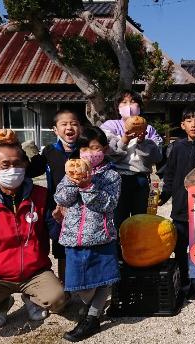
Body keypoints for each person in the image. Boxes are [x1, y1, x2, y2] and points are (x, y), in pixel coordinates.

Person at [0, 143, 66, 330]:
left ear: (25, 166)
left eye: (17, 164)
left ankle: (31, 299)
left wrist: (62, 223)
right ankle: (2, 304)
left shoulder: (41, 196)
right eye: (5, 165)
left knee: (59, 300)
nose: (13, 170)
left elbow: (56, 235)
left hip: (36, 273)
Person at [54, 126, 121, 342]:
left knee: (103, 278)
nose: (90, 153)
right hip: (74, 237)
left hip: (101, 235)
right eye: (85, 148)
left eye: (95, 148)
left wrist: (88, 186)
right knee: (81, 285)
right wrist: (76, 183)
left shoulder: (112, 175)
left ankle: (92, 317)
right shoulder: (69, 172)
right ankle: (89, 306)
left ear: (104, 149)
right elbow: (62, 199)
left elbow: (109, 203)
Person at [159, 106, 195, 301]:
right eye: (189, 120)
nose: (194, 124)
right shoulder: (176, 147)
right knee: (179, 247)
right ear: (183, 125)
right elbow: (169, 175)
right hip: (180, 209)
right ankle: (183, 279)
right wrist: (163, 196)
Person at [26, 109, 82, 283]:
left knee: (83, 246)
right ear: (55, 130)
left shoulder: (85, 150)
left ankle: (83, 285)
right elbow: (30, 170)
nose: (69, 127)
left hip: (82, 207)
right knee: (61, 248)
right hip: (57, 210)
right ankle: (65, 284)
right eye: (64, 124)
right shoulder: (49, 152)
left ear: (80, 127)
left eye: (73, 123)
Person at [101, 91, 163, 228]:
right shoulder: (109, 126)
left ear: (140, 107)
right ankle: (117, 249)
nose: (128, 106)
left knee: (140, 220)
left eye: (133, 102)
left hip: (140, 179)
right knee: (117, 220)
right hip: (115, 177)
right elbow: (108, 154)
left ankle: (138, 248)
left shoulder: (149, 129)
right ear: (117, 107)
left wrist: (142, 142)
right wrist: (125, 139)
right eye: (124, 102)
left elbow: (156, 157)